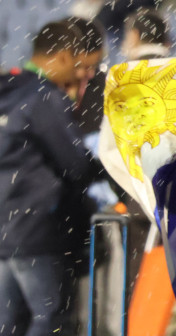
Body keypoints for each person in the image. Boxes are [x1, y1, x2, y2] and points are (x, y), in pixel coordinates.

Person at [0, 21, 102, 336]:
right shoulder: (43, 96)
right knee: (51, 319)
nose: (81, 74)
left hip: (5, 227)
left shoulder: (7, 87)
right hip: (35, 229)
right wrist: (106, 168)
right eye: (78, 64)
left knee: (8, 322)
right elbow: (76, 164)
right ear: (61, 57)